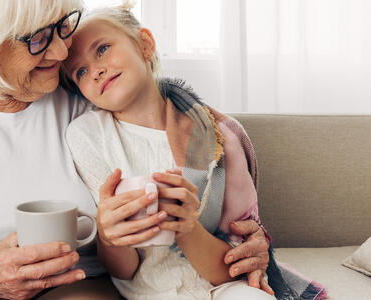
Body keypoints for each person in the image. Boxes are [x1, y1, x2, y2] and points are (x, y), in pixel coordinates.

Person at [0, 1, 272, 299]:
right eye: (37, 39)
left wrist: (245, 241)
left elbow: (183, 129)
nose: (62, 50)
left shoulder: (92, 95)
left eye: (62, 25)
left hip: (77, 289)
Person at [61, 5, 277, 300]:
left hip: (222, 285)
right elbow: (125, 272)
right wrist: (109, 236)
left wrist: (187, 228)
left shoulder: (217, 137)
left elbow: (232, 268)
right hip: (150, 292)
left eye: (102, 49)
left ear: (144, 45)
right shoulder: (88, 136)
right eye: (81, 72)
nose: (96, 70)